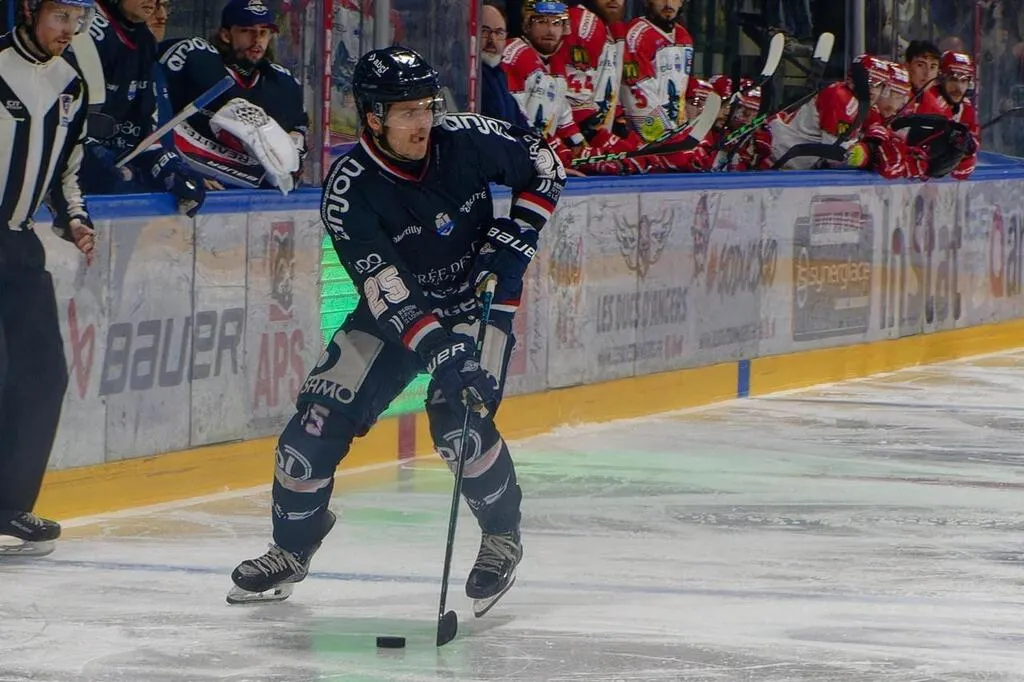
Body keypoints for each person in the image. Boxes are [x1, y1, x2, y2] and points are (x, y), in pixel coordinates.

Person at [227, 47, 566, 616]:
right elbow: (386, 289)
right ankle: (291, 548)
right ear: (373, 117)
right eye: (407, 112)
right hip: (393, 315)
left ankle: (501, 537)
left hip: (479, 300)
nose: (423, 122)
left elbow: (545, 163)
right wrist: (438, 347)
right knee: (308, 438)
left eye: (427, 107)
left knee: (459, 420)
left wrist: (520, 233)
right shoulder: (350, 189)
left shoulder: (464, 137)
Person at [0, 0, 97, 558]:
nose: (68, 31)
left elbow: (65, 172)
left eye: (76, 20)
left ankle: (9, 504)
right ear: (31, 10)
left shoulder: (70, 85)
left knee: (42, 374)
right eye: (60, 17)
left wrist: (75, 218)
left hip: (18, 243)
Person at [155, 0, 308, 192]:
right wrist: (181, 169)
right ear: (226, 35)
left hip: (253, 194)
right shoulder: (195, 60)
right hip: (185, 181)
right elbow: (154, 107)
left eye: (263, 32)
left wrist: (292, 162)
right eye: (246, 31)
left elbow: (298, 131)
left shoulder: (283, 83)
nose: (257, 40)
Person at [78, 0, 205, 215]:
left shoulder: (144, 41)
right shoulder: (85, 32)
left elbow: (142, 131)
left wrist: (167, 166)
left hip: (109, 178)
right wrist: (88, 154)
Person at [620, 0, 695, 142]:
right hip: (645, 139)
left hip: (676, 133)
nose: (668, 4)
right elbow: (637, 95)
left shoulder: (683, 35)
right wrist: (663, 137)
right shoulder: (637, 35)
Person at [479, 0, 525, 127]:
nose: (492, 40)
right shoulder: (463, 76)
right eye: (484, 31)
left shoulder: (499, 74)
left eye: (499, 33)